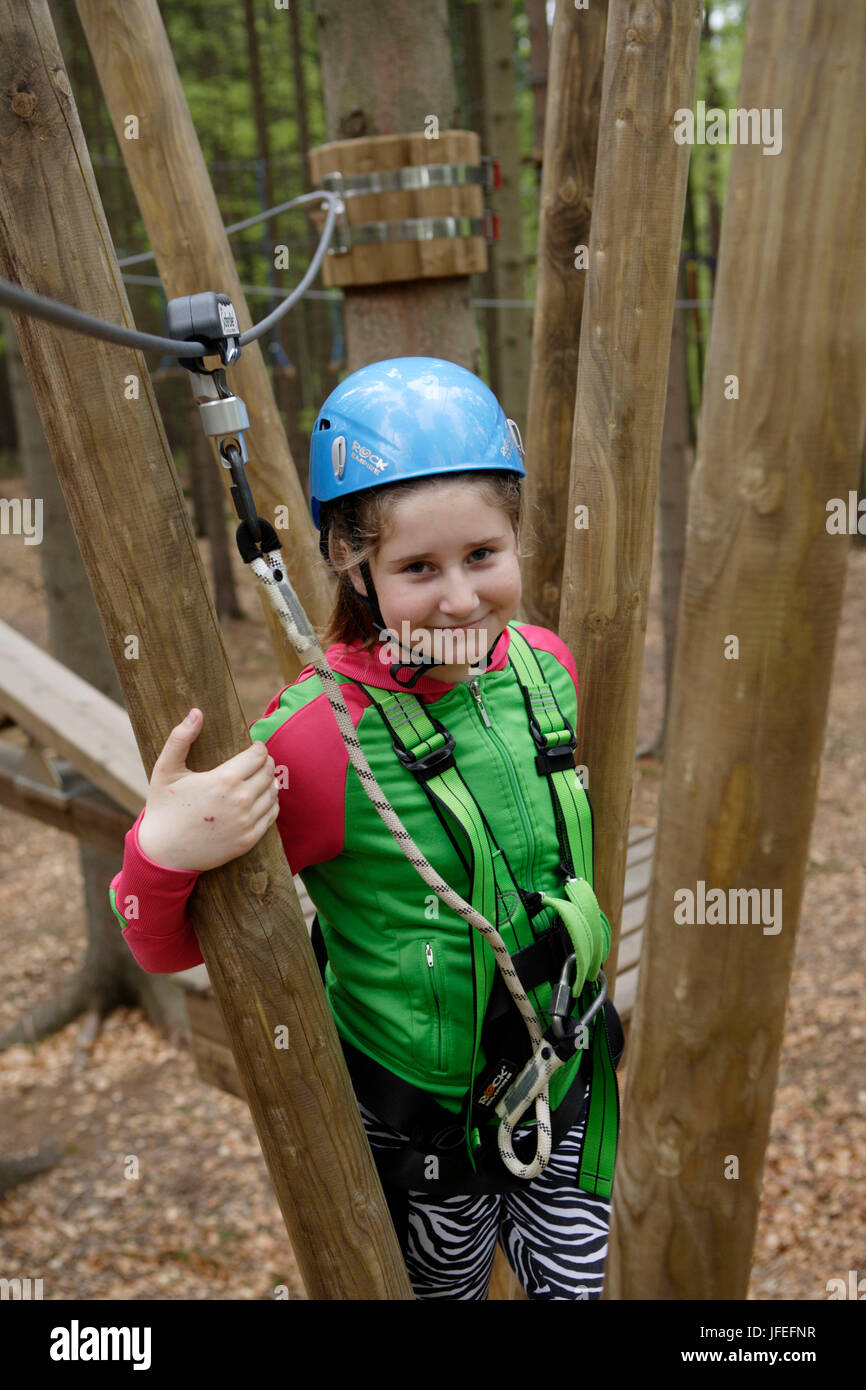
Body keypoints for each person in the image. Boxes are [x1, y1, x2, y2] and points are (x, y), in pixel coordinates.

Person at [109, 356, 624, 1300]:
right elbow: (162, 942)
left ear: (516, 534)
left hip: (563, 1083)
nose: (461, 599)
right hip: (419, 1127)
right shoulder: (315, 739)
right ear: (354, 564)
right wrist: (162, 851)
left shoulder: (545, 668)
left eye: (483, 556)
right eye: (417, 569)